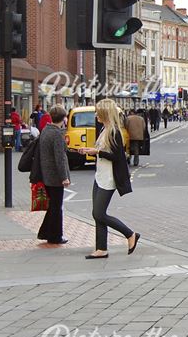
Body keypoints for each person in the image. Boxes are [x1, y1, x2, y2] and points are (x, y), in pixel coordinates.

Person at [79, 99, 139, 259]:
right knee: (97, 213)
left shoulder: (114, 132)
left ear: (105, 114)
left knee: (99, 213)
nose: (95, 114)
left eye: (98, 112)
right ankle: (101, 249)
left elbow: (118, 157)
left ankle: (130, 234)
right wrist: (91, 150)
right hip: (100, 176)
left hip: (109, 178)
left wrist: (97, 152)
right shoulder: (104, 130)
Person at [36, 105, 71, 245]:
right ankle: (55, 236)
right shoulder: (57, 134)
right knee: (57, 207)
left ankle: (45, 232)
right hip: (55, 176)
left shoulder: (45, 130)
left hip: (46, 174)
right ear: (63, 118)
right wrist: (64, 177)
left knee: (53, 206)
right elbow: (60, 158)